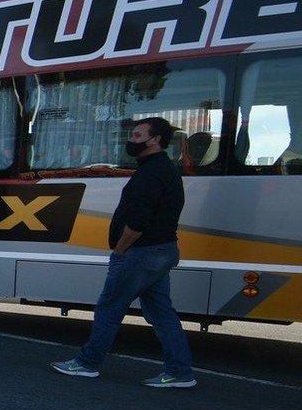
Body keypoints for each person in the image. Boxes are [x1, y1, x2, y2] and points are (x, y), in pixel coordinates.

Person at [51, 116, 196, 388]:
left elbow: (138, 221)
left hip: (141, 253)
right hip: (162, 250)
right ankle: (180, 371)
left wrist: (119, 250)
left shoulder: (151, 173)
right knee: (161, 313)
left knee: (109, 308)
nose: (131, 141)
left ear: (155, 140)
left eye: (138, 136)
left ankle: (87, 363)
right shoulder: (163, 168)